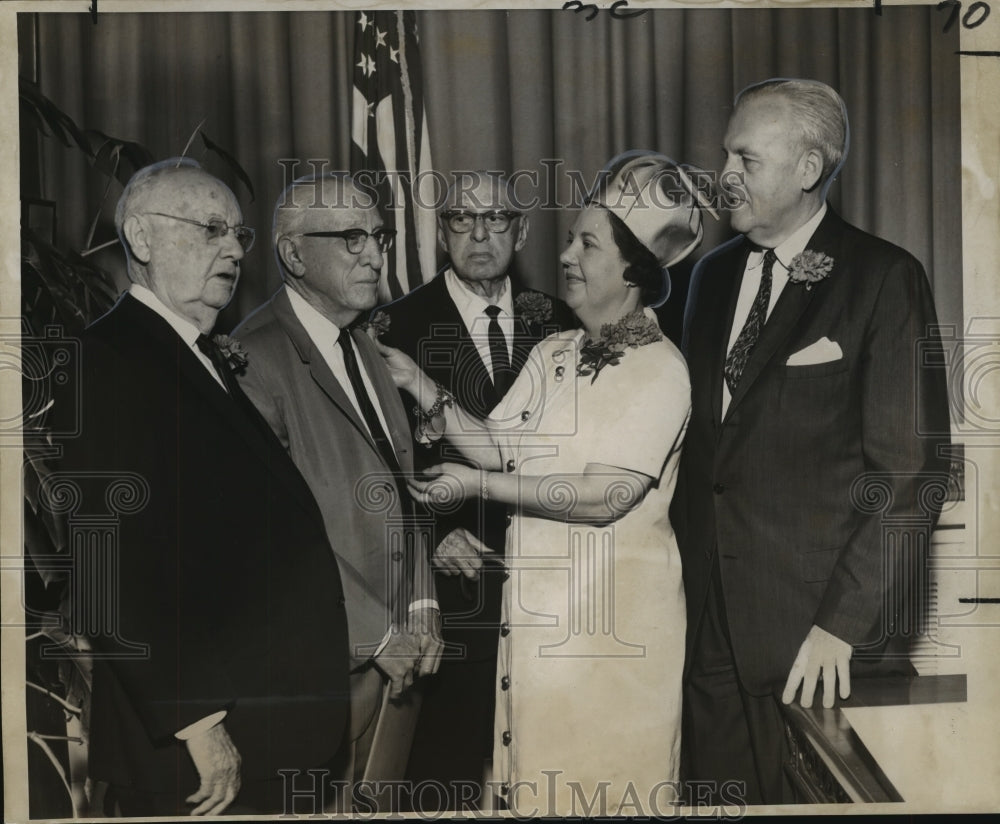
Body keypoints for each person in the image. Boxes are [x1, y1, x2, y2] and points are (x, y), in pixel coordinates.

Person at [378, 152, 714, 815]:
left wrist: (475, 487)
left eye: (586, 243)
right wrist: (423, 388)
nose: (566, 256)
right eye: (569, 239)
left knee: (602, 792)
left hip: (610, 640)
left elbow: (603, 496)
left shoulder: (659, 369)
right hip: (535, 634)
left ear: (633, 269)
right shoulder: (554, 350)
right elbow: (500, 444)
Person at [677, 78, 952, 805]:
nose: (724, 173)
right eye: (725, 153)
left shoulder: (884, 277)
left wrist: (839, 626)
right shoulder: (709, 277)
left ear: (808, 169)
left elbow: (910, 474)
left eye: (746, 157)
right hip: (706, 633)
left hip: (814, 644)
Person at [56, 159, 351, 816]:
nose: (232, 250)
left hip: (261, 735)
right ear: (140, 237)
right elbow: (109, 564)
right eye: (211, 228)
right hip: (197, 752)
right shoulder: (107, 359)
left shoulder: (195, 352)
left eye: (240, 235)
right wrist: (196, 721)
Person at [232, 173, 441, 807]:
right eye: (351, 238)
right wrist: (382, 634)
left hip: (401, 657)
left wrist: (423, 608)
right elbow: (270, 533)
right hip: (327, 663)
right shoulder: (250, 359)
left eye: (378, 235)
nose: (376, 254)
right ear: (294, 255)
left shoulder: (370, 348)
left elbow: (402, 490)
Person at [375, 171, 573, 804]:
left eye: (496, 219)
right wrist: (429, 535)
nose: (480, 234)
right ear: (441, 233)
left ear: (521, 232)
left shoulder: (562, 322)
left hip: (548, 583)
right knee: (446, 774)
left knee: (543, 768)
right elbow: (373, 458)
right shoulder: (391, 328)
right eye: (462, 219)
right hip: (447, 590)